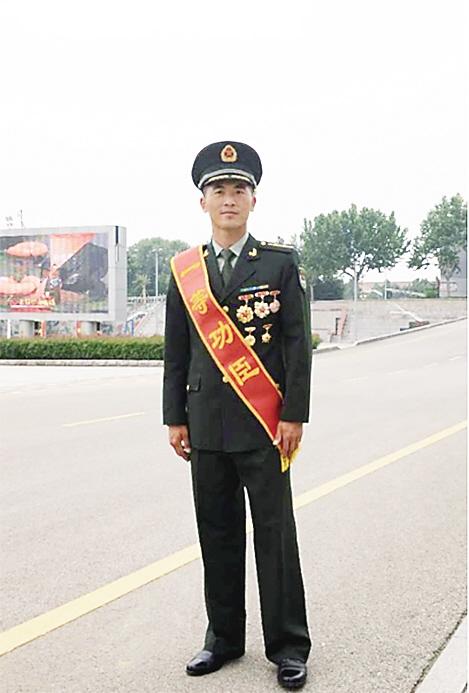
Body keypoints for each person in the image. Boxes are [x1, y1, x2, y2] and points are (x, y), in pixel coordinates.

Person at [163, 141, 312, 690]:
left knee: (275, 537)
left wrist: (293, 414)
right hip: (205, 425)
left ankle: (288, 646)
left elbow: (297, 345)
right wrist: (174, 417)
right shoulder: (186, 270)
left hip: (265, 425)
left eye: (239, 190)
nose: (229, 199)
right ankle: (222, 639)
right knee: (217, 534)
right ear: (203, 202)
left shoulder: (278, 263)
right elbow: (176, 351)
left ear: (254, 200)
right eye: (219, 190)